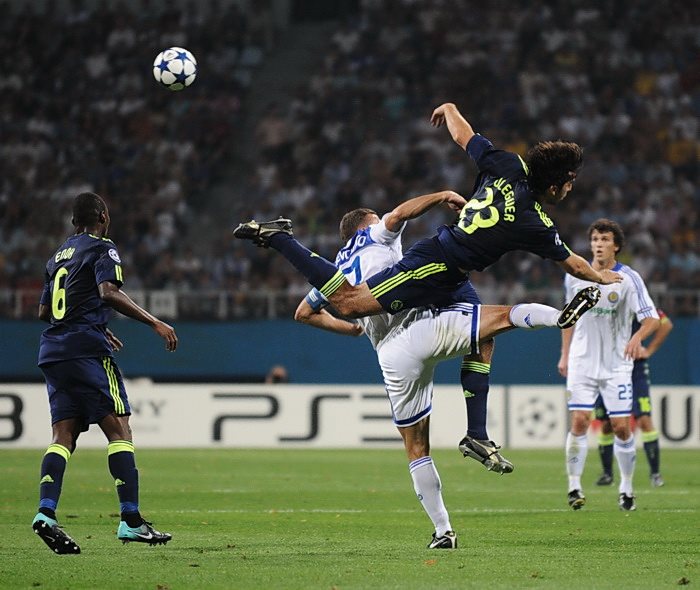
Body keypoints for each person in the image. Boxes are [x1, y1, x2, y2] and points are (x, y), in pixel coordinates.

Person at [295, 202, 601, 549]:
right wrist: (442, 196)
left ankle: (443, 531)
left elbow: (303, 312)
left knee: (416, 447)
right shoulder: (378, 239)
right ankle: (556, 320)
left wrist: (352, 330)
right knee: (495, 323)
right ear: (364, 227)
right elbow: (400, 215)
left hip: (390, 357)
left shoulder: (337, 271)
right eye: (375, 220)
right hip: (419, 327)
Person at [233, 102, 621, 323]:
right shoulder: (535, 222)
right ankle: (281, 238)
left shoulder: (507, 164)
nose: (570, 191)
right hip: (435, 263)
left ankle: (477, 431)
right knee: (349, 304)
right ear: (554, 186)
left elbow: (464, 137)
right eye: (569, 184)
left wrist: (450, 108)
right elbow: (574, 265)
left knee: (481, 332)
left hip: (450, 269)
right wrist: (602, 277)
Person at [33, 192, 178, 554]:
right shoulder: (102, 248)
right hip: (86, 351)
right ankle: (131, 521)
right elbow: (108, 292)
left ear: (73, 221)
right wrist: (155, 322)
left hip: (53, 351)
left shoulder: (57, 256)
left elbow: (44, 312)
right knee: (119, 428)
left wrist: (96, 324)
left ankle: (45, 514)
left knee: (63, 435)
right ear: (102, 216)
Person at [558, 218, 660, 512]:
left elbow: (651, 318)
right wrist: (564, 354)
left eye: (604, 240)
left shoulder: (629, 278)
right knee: (579, 421)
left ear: (616, 246)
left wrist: (637, 337)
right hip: (582, 361)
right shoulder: (575, 274)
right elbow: (569, 317)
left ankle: (626, 488)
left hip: (617, 366)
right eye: (595, 239)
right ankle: (574, 487)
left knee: (621, 427)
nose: (598, 245)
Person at [594, 309, 673, 488]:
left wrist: (649, 350)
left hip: (635, 369)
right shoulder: (602, 303)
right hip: (607, 368)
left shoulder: (637, 302)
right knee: (607, 424)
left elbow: (666, 324)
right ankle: (607, 474)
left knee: (644, 420)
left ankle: (655, 474)